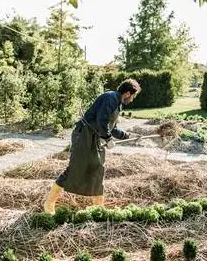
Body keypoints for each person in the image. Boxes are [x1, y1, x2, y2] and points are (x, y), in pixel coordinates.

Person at [43, 78, 142, 214]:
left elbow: (111, 127)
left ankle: (98, 209)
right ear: (127, 93)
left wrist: (127, 135)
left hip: (94, 138)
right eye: (133, 96)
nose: (132, 100)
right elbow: (102, 120)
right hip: (83, 135)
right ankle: (49, 204)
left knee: (98, 169)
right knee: (75, 169)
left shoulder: (117, 104)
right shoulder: (111, 98)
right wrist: (107, 138)